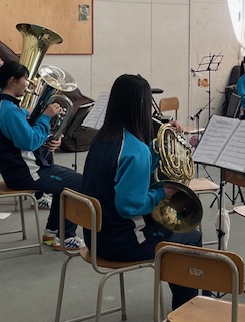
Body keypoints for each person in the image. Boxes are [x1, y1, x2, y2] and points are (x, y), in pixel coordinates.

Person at [81, 74, 204, 310]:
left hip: (95, 236)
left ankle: (192, 301)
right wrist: (161, 194)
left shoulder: (102, 138)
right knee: (190, 237)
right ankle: (186, 309)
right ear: (141, 106)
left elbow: (126, 174)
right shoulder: (136, 151)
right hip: (121, 242)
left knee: (172, 231)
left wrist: (155, 153)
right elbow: (129, 206)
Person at [0, 60, 84, 251]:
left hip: (21, 169)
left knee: (66, 184)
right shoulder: (9, 110)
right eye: (25, 79)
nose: (28, 84)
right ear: (12, 81)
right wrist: (45, 117)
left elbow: (25, 138)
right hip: (25, 173)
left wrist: (50, 139)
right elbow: (29, 142)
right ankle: (66, 237)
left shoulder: (7, 106)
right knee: (80, 184)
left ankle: (52, 232)